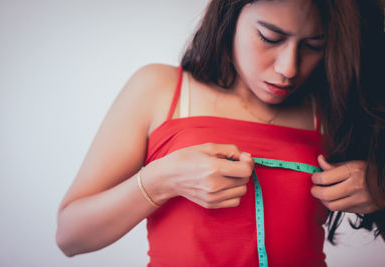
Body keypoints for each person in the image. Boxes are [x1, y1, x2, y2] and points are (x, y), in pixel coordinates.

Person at [55, 0, 385, 266]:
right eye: (270, 38)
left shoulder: (336, 105)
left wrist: (381, 189)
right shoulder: (159, 88)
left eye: (314, 45)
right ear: (229, 14)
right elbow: (71, 237)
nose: (289, 68)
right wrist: (162, 179)